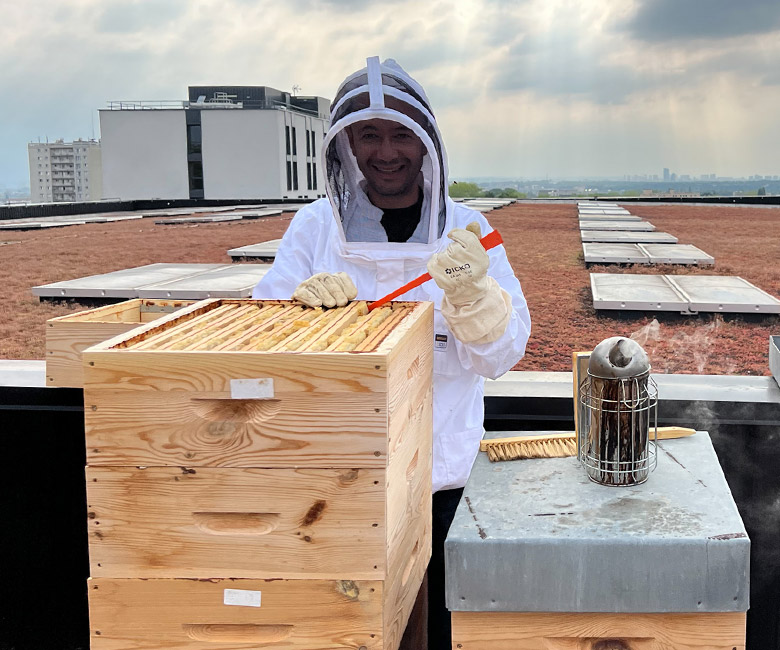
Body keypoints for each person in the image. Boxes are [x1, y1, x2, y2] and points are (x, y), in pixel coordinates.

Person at [252, 56, 531, 650]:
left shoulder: (468, 231)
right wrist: (296, 317)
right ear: (346, 144)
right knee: (336, 631)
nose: (386, 151)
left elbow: (501, 355)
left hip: (439, 482)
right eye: (369, 134)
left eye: (401, 133)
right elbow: (261, 346)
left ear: (426, 142)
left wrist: (475, 298)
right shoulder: (313, 229)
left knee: (429, 629)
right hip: (332, 477)